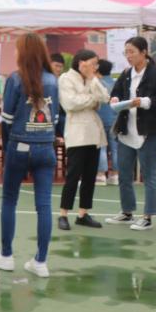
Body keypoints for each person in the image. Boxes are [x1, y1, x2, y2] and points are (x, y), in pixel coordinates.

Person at [0, 32, 59, 278]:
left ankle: (6, 256)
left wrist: (7, 148)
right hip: (46, 147)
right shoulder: (53, 80)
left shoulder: (15, 79)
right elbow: (56, 119)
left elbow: (7, 119)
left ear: (23, 53)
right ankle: (41, 261)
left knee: (9, 200)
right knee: (44, 205)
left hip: (19, 145)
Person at [105, 36, 156, 231]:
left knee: (148, 174)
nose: (128, 56)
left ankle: (148, 216)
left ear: (144, 52)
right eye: (126, 52)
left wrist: (144, 102)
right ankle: (127, 211)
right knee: (124, 173)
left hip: (148, 131)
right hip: (126, 130)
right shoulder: (126, 73)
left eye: (132, 52)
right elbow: (116, 93)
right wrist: (115, 99)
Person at [57, 49, 110, 230]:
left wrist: (92, 79)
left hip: (94, 133)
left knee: (89, 176)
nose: (95, 67)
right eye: (93, 63)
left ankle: (83, 213)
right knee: (73, 175)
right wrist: (92, 100)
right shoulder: (66, 78)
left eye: (96, 64)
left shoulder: (91, 79)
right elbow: (70, 103)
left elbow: (105, 97)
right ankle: (63, 214)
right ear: (81, 63)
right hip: (77, 133)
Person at [95, 59, 119, 185]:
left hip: (99, 119)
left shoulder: (96, 83)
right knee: (115, 148)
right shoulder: (116, 83)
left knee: (101, 148)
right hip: (115, 119)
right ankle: (115, 175)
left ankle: (100, 175)